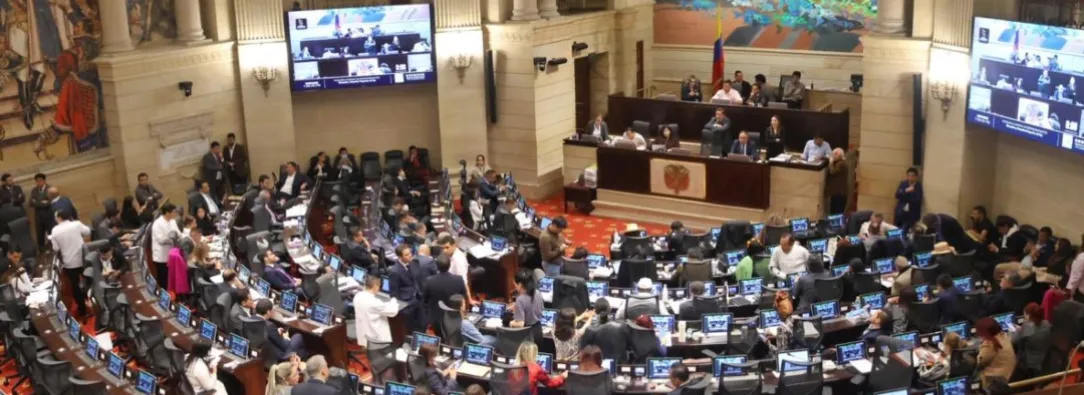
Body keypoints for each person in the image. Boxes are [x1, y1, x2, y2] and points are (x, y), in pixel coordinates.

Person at [51, 209, 91, 317]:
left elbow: (56, 248)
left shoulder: (55, 231)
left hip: (69, 263)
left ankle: (82, 310)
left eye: (56, 218)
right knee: (90, 281)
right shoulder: (76, 224)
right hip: (84, 260)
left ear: (59, 218)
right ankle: (94, 303)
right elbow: (88, 231)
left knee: (75, 286)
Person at [353, 275, 400, 346]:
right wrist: (394, 300)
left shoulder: (357, 296)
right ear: (374, 286)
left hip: (364, 333)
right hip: (376, 337)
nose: (379, 288)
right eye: (379, 286)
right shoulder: (375, 302)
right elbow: (393, 311)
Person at [389, 244, 426, 333]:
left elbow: (417, 279)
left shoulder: (413, 263)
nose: (410, 255)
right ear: (400, 257)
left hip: (418, 299)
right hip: (407, 305)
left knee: (422, 324)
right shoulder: (395, 271)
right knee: (410, 329)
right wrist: (402, 308)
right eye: (406, 254)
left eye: (410, 253)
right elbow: (394, 293)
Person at [975, 317, 1016, 388]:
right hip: (1010, 374)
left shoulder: (989, 344)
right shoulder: (1004, 335)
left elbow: (980, 362)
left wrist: (981, 347)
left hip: (997, 380)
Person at [1013, 303, 1051, 376]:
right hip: (1045, 359)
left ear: (1028, 315)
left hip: (1030, 362)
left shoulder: (1027, 327)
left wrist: (1019, 330)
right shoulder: (1047, 323)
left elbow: (1014, 340)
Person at [438, 235, 476, 302]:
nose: (444, 250)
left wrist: (469, 299)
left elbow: (463, 282)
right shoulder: (448, 254)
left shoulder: (459, 260)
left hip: (454, 293)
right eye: (443, 248)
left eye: (447, 247)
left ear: (454, 246)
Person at [151, 203, 180, 289]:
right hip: (161, 257)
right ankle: (164, 297)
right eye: (174, 212)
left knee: (171, 278)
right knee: (163, 280)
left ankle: (172, 295)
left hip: (172, 254)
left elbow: (178, 233)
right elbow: (161, 240)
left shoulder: (173, 221)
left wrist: (177, 236)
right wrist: (171, 238)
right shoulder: (157, 224)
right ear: (167, 212)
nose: (175, 214)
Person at [512, 270, 544, 342]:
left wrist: (510, 323)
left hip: (527, 334)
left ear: (520, 284)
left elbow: (520, 324)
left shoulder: (520, 299)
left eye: (515, 285)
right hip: (538, 330)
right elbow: (541, 310)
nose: (515, 287)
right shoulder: (538, 292)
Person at [29, 173, 51, 248]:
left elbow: (49, 203)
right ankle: (42, 252)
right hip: (38, 217)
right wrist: (42, 202)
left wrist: (37, 202)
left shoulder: (50, 189)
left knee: (51, 234)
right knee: (40, 235)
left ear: (44, 181)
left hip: (48, 215)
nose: (38, 183)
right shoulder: (34, 190)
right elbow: (31, 203)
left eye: (40, 180)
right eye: (37, 181)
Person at [826, 148, 848, 214]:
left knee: (837, 211)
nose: (832, 156)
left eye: (834, 155)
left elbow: (832, 172)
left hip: (839, 192)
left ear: (839, 156)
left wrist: (830, 163)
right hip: (836, 192)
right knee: (834, 210)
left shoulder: (841, 164)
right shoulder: (838, 162)